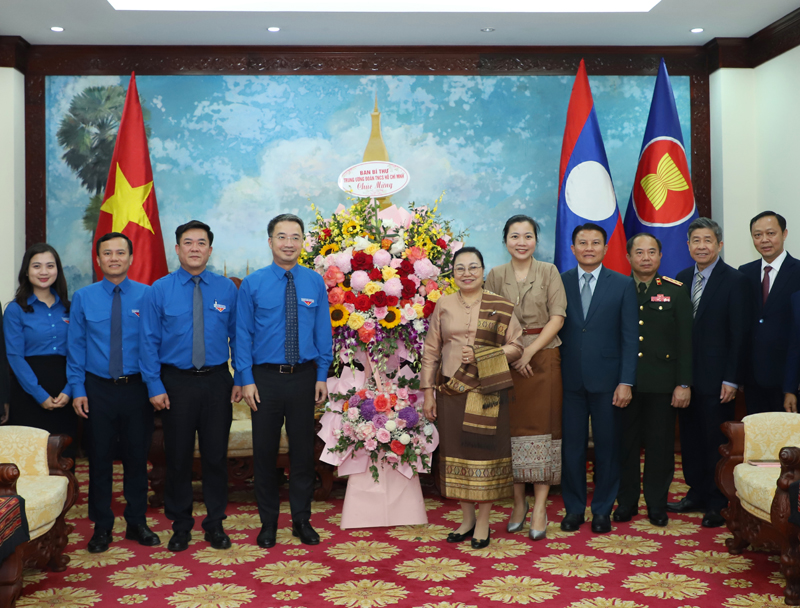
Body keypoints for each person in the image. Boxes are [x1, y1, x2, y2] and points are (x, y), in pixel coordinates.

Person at [140, 220, 242, 552]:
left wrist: (241, 377)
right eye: (188, 242)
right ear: (177, 249)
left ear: (210, 250)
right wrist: (154, 385)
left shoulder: (226, 288)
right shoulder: (159, 290)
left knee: (215, 457)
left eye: (201, 243)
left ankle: (215, 524)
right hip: (176, 383)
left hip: (217, 381)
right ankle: (181, 525)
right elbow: (148, 341)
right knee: (178, 457)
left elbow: (238, 336)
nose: (194, 248)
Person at [236, 213, 332, 549]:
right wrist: (245, 379)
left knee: (303, 454)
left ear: (303, 242)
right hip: (264, 380)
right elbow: (242, 335)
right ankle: (268, 524)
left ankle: (301, 521)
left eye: (295, 237)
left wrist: (322, 374)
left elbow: (323, 332)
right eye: (281, 237)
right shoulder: (253, 284)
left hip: (304, 378)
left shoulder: (314, 282)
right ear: (270, 242)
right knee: (264, 454)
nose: (288, 243)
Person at [422, 246, 524, 548]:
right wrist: (428, 392)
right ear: (453, 273)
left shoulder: (499, 305)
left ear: (483, 271)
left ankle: (483, 522)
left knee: (484, 456)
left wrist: (484, 354)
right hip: (451, 391)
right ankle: (467, 519)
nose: (467, 273)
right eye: (460, 268)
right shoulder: (444, 304)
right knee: (457, 456)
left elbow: (517, 346)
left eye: (473, 267)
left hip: (486, 391)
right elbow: (431, 350)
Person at [67, 232, 159, 553]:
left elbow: (154, 344)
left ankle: (137, 522)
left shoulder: (148, 295)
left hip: (137, 389)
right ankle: (102, 526)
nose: (114, 258)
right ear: (98, 259)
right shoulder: (83, 297)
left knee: (137, 458)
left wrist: (155, 386)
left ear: (131, 258)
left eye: (121, 252)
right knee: (99, 460)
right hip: (98, 390)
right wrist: (77, 388)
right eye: (107, 253)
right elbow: (76, 347)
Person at [485, 215, 566, 541]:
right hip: (506, 359)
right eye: (515, 236)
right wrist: (514, 353)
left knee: (545, 431)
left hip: (543, 357)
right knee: (511, 432)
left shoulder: (549, 271)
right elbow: (489, 321)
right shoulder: (495, 275)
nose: (521, 242)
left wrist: (529, 352)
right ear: (506, 240)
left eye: (528, 236)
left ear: (536, 241)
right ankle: (518, 503)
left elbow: (558, 317)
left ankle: (540, 507)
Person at [669, 218, 750, 527]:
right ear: (688, 245)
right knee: (690, 438)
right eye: (696, 241)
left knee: (715, 440)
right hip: (686, 377)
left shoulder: (735, 280)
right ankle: (696, 493)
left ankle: (717, 500)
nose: (701, 246)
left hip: (718, 379)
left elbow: (739, 334)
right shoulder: (681, 278)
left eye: (707, 240)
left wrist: (731, 379)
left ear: (719, 244)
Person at [559, 223, 638, 534]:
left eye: (595, 243)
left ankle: (603, 509)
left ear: (606, 249)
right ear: (573, 248)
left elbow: (630, 337)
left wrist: (626, 382)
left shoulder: (622, 284)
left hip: (609, 383)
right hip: (569, 381)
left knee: (608, 448)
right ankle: (574, 509)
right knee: (572, 449)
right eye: (582, 243)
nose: (588, 248)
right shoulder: (560, 282)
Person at [614, 233, 692, 527]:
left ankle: (657, 504)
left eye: (651, 252)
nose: (645, 258)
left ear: (660, 256)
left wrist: (683, 383)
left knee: (660, 448)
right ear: (628, 257)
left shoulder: (675, 291)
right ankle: (627, 502)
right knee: (626, 446)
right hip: (625, 383)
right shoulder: (618, 288)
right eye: (639, 252)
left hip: (662, 384)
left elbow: (685, 342)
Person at [3, 244, 77, 459]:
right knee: (30, 460)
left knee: (64, 459)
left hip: (65, 390)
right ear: (26, 271)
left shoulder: (70, 307)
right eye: (37, 266)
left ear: (58, 270)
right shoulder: (15, 309)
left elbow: (78, 352)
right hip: (28, 391)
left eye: (50, 266)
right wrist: (39, 394)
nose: (44, 272)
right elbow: (15, 357)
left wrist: (69, 390)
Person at [738, 211, 800, 414]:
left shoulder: (798, 272)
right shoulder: (744, 272)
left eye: (771, 233)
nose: (764, 240)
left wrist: (792, 385)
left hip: (788, 380)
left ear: (784, 234)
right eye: (757, 235)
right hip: (752, 379)